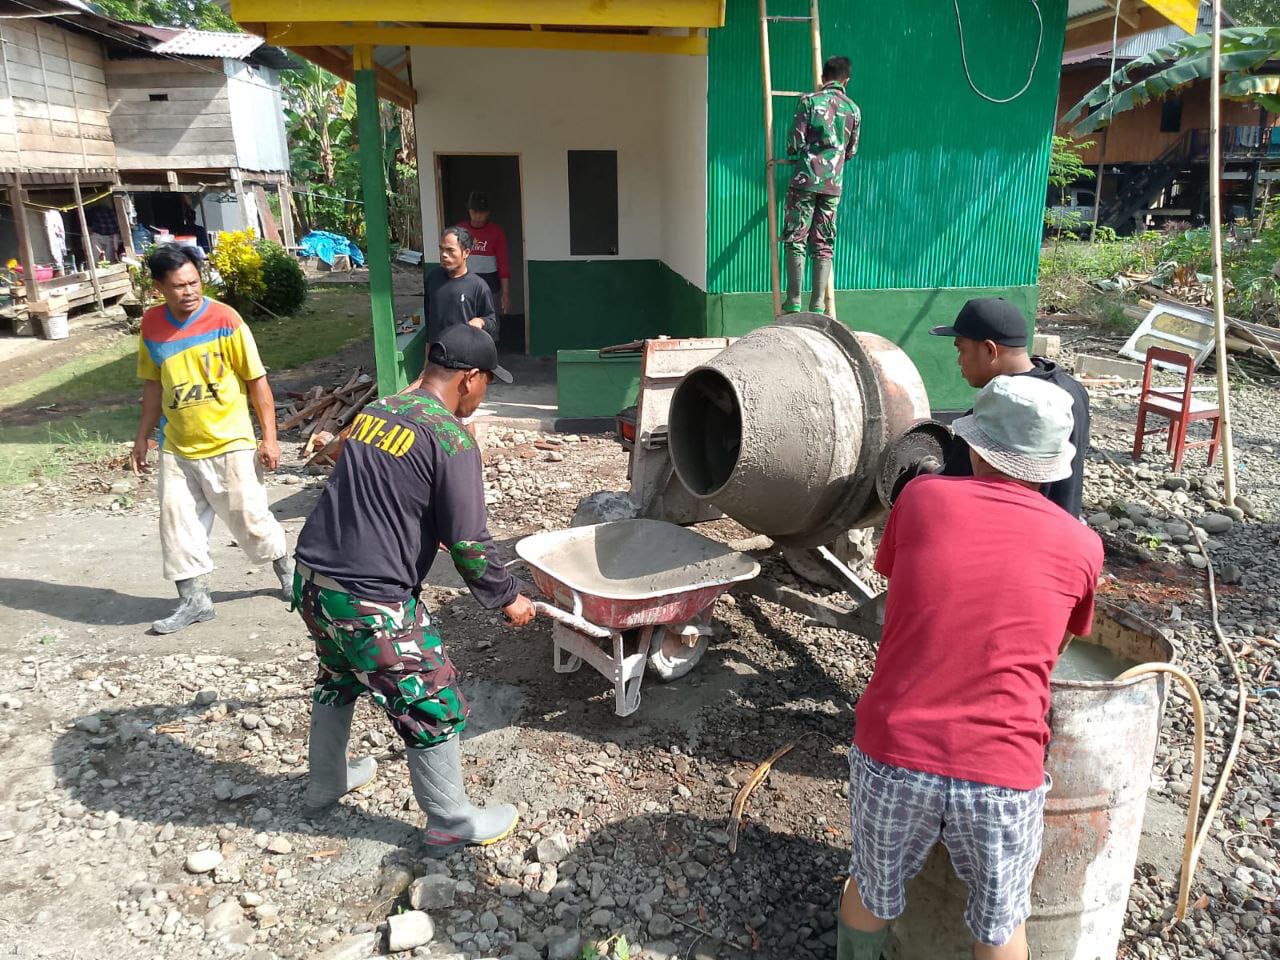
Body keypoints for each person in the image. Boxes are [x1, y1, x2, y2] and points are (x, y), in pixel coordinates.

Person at [838, 375, 1103, 960]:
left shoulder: (922, 499)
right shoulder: (1083, 545)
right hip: (1003, 772)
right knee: (1002, 924)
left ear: (976, 447)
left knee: (872, 891)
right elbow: (1054, 648)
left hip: (893, 752)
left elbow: (904, 587)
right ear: (1053, 466)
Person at [291, 324, 537, 853]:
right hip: (369, 596)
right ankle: (451, 820)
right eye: (488, 383)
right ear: (470, 379)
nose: (483, 394)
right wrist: (509, 596)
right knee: (432, 700)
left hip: (314, 580)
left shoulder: (379, 410)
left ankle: (325, 782)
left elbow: (376, 487)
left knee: (337, 676)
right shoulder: (450, 438)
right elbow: (471, 546)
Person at [130, 243, 293, 634]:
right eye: (178, 285)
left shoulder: (226, 319)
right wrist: (142, 438)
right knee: (176, 526)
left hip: (230, 441)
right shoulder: (151, 326)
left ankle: (289, 575)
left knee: (251, 519)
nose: (189, 291)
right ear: (158, 287)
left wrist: (269, 438)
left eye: (195, 282)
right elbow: (153, 386)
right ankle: (195, 601)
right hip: (177, 444)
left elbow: (258, 383)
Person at [930, 296, 1091, 517]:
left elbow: (952, 493)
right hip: (1061, 530)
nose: (959, 360)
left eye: (962, 350)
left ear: (990, 350)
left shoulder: (994, 418)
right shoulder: (1073, 392)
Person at [782, 55, 861, 315]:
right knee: (824, 242)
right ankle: (817, 305)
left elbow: (794, 145)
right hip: (832, 187)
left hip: (804, 181)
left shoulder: (808, 102)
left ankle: (793, 300)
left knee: (796, 237)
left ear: (822, 78)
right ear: (846, 80)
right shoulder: (853, 109)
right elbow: (851, 152)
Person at [424, 226, 498, 345]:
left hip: (466, 357)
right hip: (438, 356)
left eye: (450, 250)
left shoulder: (478, 286)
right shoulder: (432, 278)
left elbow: (492, 322)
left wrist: (480, 321)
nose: (444, 254)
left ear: (466, 253)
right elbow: (429, 322)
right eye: (441, 249)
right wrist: (427, 359)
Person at [457, 191, 511, 316]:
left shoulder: (496, 232)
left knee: (490, 321)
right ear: (469, 211)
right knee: (466, 322)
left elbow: (503, 264)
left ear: (488, 213)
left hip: (490, 286)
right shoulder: (460, 231)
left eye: (482, 212)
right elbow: (453, 261)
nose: (478, 216)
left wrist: (505, 293)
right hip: (464, 286)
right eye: (474, 212)